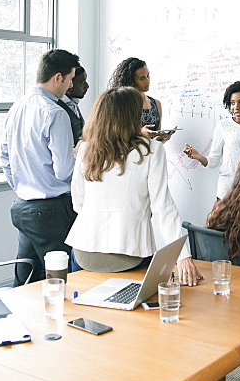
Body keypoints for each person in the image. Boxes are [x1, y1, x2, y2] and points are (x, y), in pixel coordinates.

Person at [66, 86, 201, 285]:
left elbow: (78, 202)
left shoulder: (86, 148)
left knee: (88, 308)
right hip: (129, 251)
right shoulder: (151, 150)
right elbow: (163, 208)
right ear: (131, 116)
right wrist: (182, 256)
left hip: (84, 248)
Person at [1, 49, 80, 284]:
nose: (70, 85)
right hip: (52, 212)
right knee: (62, 281)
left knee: (25, 282)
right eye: (70, 79)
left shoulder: (17, 106)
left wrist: (24, 186)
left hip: (23, 207)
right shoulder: (55, 113)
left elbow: (5, 157)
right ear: (58, 78)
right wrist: (81, 156)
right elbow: (65, 171)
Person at [108, 57, 175, 142]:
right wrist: (141, 134)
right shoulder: (121, 104)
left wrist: (163, 138)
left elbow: (156, 139)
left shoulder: (156, 104)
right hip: (129, 154)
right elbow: (115, 137)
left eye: (148, 76)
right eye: (142, 78)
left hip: (151, 154)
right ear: (131, 81)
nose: (148, 81)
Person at [57, 65, 88, 146]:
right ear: (69, 84)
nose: (87, 86)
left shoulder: (73, 103)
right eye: (82, 82)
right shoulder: (57, 110)